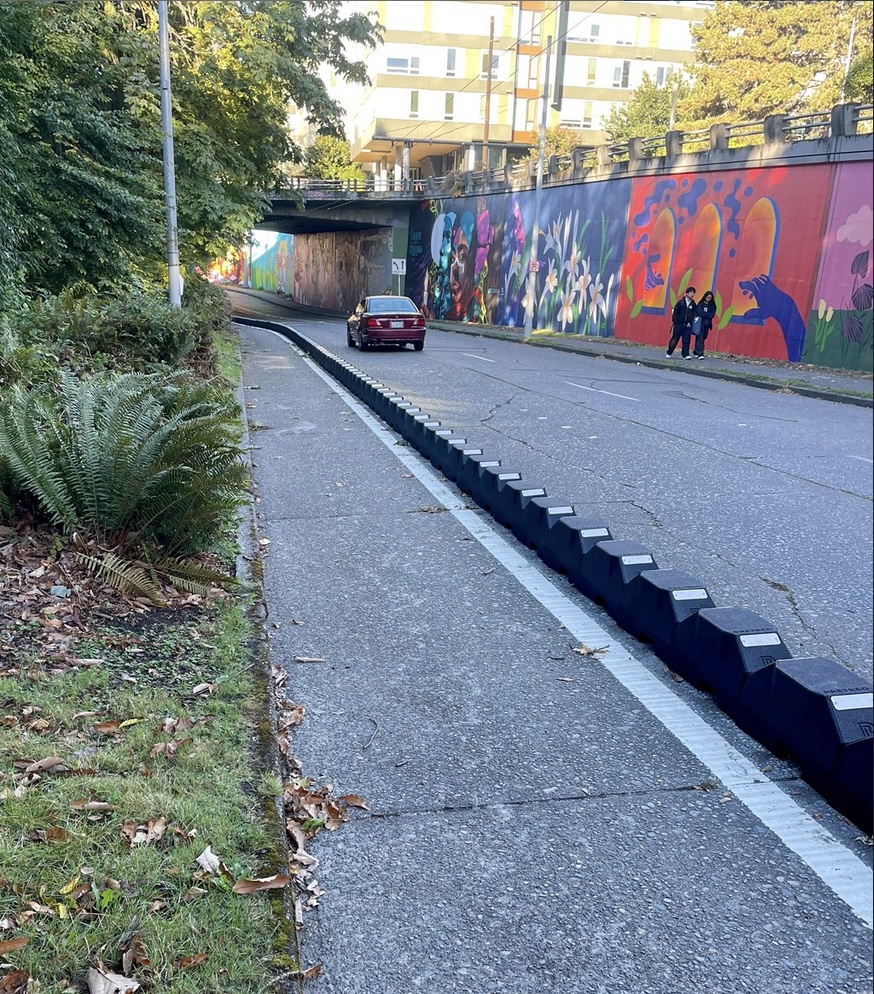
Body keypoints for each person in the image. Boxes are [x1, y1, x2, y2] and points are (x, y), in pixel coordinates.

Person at [667, 286, 697, 359]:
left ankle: (685, 354)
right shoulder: (681, 302)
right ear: (686, 294)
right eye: (690, 293)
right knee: (675, 339)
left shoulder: (693, 304)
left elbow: (694, 314)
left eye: (693, 293)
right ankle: (669, 352)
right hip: (679, 324)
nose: (692, 294)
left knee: (686, 340)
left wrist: (691, 322)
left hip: (688, 325)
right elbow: (675, 312)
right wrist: (676, 322)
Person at [693, 290, 717, 358]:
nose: (709, 299)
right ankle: (700, 354)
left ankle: (696, 351)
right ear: (705, 297)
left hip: (707, 324)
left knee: (703, 338)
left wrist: (706, 315)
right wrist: (706, 315)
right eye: (708, 297)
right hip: (700, 324)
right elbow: (699, 313)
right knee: (700, 338)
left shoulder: (712, 305)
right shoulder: (700, 304)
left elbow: (712, 314)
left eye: (710, 298)